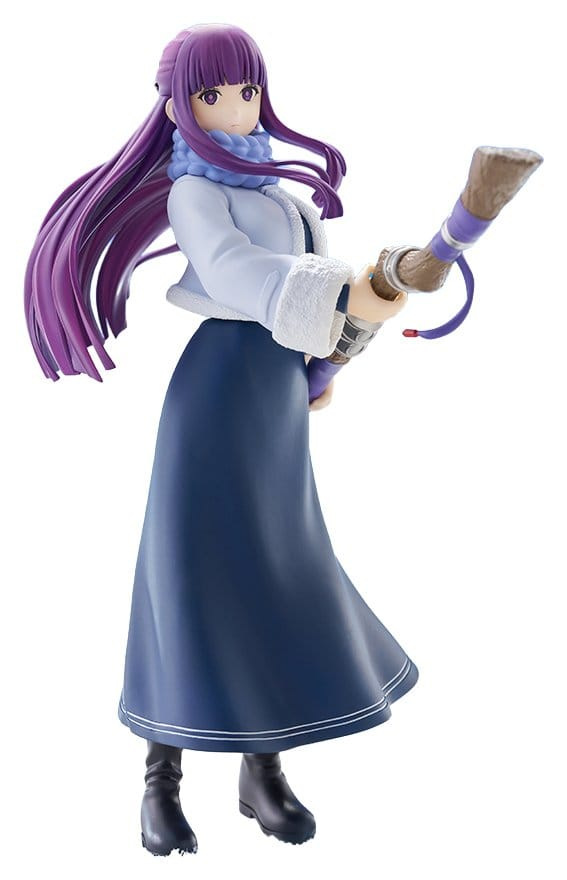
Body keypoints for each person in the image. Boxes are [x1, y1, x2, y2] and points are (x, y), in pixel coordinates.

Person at [24, 23, 418, 855]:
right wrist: (339, 290)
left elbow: (302, 294)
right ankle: (159, 782)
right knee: (191, 573)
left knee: (269, 569)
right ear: (178, 106)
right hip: (218, 392)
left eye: (246, 89)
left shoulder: (278, 189)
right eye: (212, 94)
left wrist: (325, 356)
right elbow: (237, 273)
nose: (235, 106)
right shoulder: (194, 192)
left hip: (272, 394)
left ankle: (260, 771)